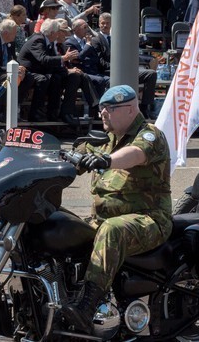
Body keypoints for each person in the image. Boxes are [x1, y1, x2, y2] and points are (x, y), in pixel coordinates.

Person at [62, 84, 171, 332]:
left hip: (149, 219)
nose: (103, 113)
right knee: (60, 224)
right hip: (101, 219)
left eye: (110, 108)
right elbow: (71, 157)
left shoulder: (150, 135)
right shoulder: (105, 140)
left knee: (112, 230)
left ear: (131, 109)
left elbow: (134, 155)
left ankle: (87, 308)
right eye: (101, 108)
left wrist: (107, 160)